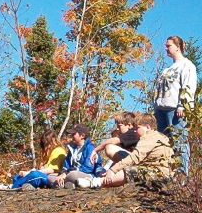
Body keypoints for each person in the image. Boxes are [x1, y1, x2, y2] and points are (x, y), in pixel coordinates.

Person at [76, 113, 175, 189]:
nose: (135, 131)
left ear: (148, 127)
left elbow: (134, 157)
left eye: (137, 128)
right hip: (158, 171)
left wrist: (112, 170)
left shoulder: (149, 138)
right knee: (133, 168)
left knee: (130, 171)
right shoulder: (160, 136)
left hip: (159, 174)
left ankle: (96, 182)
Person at [154, 35, 197, 175]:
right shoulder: (167, 69)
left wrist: (182, 106)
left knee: (179, 141)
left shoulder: (187, 65)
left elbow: (189, 86)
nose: (166, 48)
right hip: (161, 109)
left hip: (175, 110)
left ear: (178, 47)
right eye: (166, 46)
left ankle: (182, 174)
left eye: (169, 45)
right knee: (164, 143)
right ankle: (167, 172)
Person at [52, 124, 102, 189]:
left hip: (87, 174)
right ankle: (69, 184)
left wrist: (66, 173)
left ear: (82, 136)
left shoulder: (90, 148)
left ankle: (66, 184)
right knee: (51, 177)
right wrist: (63, 173)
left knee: (73, 175)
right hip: (71, 173)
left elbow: (88, 168)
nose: (71, 136)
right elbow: (66, 165)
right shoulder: (72, 148)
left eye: (74, 134)